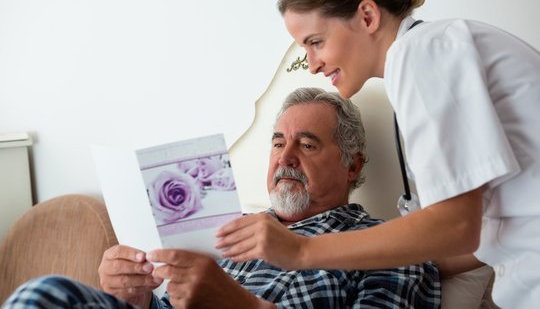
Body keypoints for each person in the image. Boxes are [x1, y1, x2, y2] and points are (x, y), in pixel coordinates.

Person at [215, 0, 540, 308]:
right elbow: (475, 229)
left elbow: (456, 227)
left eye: (316, 42)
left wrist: (302, 250)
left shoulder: (421, 52)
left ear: (367, 16)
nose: (312, 64)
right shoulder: (433, 52)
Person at [3, 87, 441, 308]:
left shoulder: (390, 245)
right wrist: (136, 298)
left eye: (307, 145)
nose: (284, 158)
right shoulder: (227, 224)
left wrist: (242, 306)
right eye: (276, 143)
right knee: (45, 294)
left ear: (352, 164)